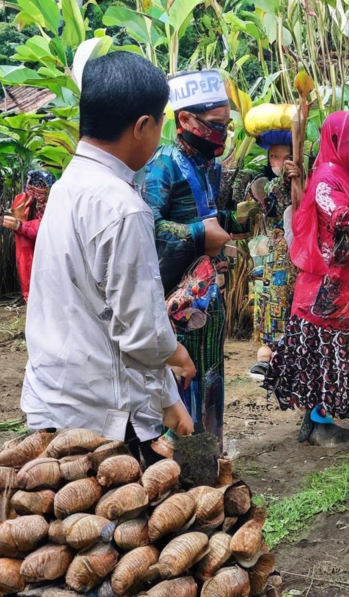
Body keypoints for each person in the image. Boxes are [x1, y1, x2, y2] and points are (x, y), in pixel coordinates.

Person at [21, 51, 195, 462]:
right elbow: (141, 333)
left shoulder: (67, 186)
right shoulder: (123, 207)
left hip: (54, 399)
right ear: (142, 127)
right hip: (107, 418)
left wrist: (168, 396)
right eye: (161, 123)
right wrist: (177, 359)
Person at [263, 111, 349, 446]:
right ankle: (319, 423)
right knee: (324, 352)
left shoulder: (345, 176)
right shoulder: (327, 178)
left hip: (340, 285)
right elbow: (345, 221)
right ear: (339, 142)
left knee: (319, 353)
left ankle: (312, 422)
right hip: (328, 288)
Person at [142, 70, 234, 450]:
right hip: (173, 298)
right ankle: (177, 457)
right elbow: (145, 225)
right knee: (182, 376)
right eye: (216, 126)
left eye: (228, 126)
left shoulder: (208, 165)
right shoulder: (164, 163)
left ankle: (209, 450)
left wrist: (233, 222)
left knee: (211, 370)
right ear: (184, 119)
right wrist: (197, 235)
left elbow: (212, 218)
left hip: (207, 296)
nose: (223, 134)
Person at [246, 130, 301, 380]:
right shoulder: (263, 184)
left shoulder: (305, 179)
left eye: (287, 156)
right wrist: (288, 178)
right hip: (276, 255)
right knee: (272, 301)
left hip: (301, 250)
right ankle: (267, 355)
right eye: (275, 157)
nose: (280, 162)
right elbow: (274, 197)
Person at [1, 170, 56, 302]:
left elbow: (47, 228)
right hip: (29, 250)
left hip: (49, 253)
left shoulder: (54, 205)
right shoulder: (26, 201)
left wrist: (21, 226)